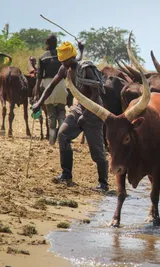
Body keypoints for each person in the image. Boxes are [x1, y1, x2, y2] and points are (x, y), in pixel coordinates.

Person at [32, 41, 109, 192]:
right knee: (63, 134)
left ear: (72, 58)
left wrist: (85, 116)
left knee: (96, 150)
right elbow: (51, 86)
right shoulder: (64, 68)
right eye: (62, 61)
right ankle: (66, 174)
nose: (64, 64)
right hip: (79, 108)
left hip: (93, 111)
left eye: (65, 61)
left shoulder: (85, 69)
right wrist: (39, 102)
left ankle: (103, 183)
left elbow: (96, 93)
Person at [34, 34, 68, 145]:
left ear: (47, 43)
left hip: (48, 85)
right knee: (61, 111)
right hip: (62, 85)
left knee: (51, 113)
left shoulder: (43, 57)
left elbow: (39, 76)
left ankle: (52, 140)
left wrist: (36, 93)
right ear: (56, 43)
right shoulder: (61, 56)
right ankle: (63, 136)